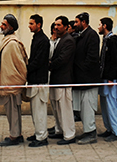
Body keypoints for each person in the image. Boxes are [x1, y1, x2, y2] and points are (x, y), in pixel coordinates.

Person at [0, 14, 28, 147]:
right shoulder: (7, 41)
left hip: (12, 84)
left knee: (13, 112)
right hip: (9, 83)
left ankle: (14, 136)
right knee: (12, 112)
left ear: (10, 27)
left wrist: (16, 81)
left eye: (4, 24)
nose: (1, 26)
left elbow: (21, 66)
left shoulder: (13, 44)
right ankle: (17, 134)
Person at [72, 12, 100, 144]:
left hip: (89, 80)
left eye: (77, 22)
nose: (75, 24)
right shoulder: (80, 36)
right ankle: (87, 131)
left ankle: (91, 133)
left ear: (84, 22)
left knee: (88, 108)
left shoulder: (92, 35)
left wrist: (82, 70)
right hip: (81, 80)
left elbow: (92, 58)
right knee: (82, 109)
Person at [49, 15, 75, 145]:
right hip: (56, 79)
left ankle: (69, 135)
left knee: (65, 109)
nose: (56, 27)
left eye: (59, 25)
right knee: (57, 108)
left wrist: (49, 65)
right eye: (55, 25)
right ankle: (60, 130)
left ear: (65, 26)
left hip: (64, 80)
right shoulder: (59, 40)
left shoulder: (68, 40)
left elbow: (62, 59)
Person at [26, 14, 50, 147]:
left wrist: (26, 69)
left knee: (39, 111)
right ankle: (38, 133)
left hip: (39, 81)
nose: (29, 26)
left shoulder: (43, 40)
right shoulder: (36, 38)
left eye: (31, 24)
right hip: (34, 80)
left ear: (39, 25)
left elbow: (38, 61)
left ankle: (41, 138)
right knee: (35, 111)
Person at [98, 16, 117, 142]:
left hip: (110, 79)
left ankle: (116, 131)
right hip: (104, 78)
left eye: (100, 24)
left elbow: (114, 60)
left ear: (105, 26)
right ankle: (109, 129)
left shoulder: (113, 40)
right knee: (105, 106)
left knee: (112, 105)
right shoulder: (106, 39)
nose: (99, 27)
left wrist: (111, 78)